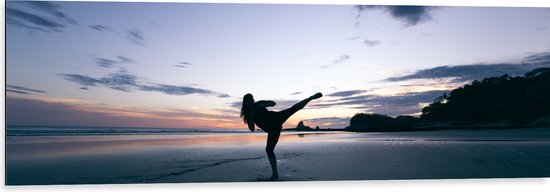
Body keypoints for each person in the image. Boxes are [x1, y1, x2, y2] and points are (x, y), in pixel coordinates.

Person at [240, 92, 323, 180]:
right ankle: (275, 174)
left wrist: (263, 105)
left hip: (276, 118)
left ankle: (311, 97)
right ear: (245, 102)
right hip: (273, 129)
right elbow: (252, 129)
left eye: (252, 99)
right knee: (269, 150)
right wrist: (252, 116)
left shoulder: (259, 104)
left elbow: (273, 103)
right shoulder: (248, 113)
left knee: (293, 109)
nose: (251, 101)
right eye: (249, 100)